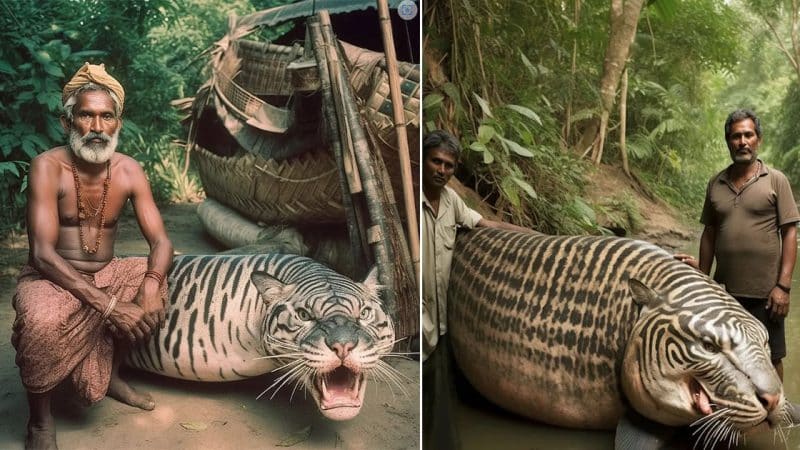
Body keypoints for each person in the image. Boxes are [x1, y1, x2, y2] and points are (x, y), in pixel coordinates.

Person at [12, 63, 174, 450]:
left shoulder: (130, 170)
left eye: (107, 116)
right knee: (39, 319)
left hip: (107, 273)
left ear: (118, 122)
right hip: (51, 278)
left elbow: (162, 242)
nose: (97, 127)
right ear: (67, 121)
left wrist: (151, 285)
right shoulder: (47, 167)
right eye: (86, 115)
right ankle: (40, 420)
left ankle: (113, 374)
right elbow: (43, 254)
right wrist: (108, 306)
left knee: (153, 279)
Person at [421, 129, 533, 449]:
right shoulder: (409, 200)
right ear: (424, 161)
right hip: (418, 322)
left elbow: (487, 224)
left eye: (449, 166)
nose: (442, 170)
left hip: (442, 326)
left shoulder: (451, 200)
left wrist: (532, 235)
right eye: (436, 162)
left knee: (439, 410)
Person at [675, 109, 799, 381]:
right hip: (724, 295)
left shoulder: (775, 180)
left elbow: (790, 233)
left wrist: (783, 287)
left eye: (748, 135)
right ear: (728, 141)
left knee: (771, 356)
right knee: (727, 356)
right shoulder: (716, 183)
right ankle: (737, 417)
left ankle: (778, 419)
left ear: (758, 139)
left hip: (767, 295)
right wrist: (701, 279)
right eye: (736, 136)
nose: (742, 141)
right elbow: (709, 232)